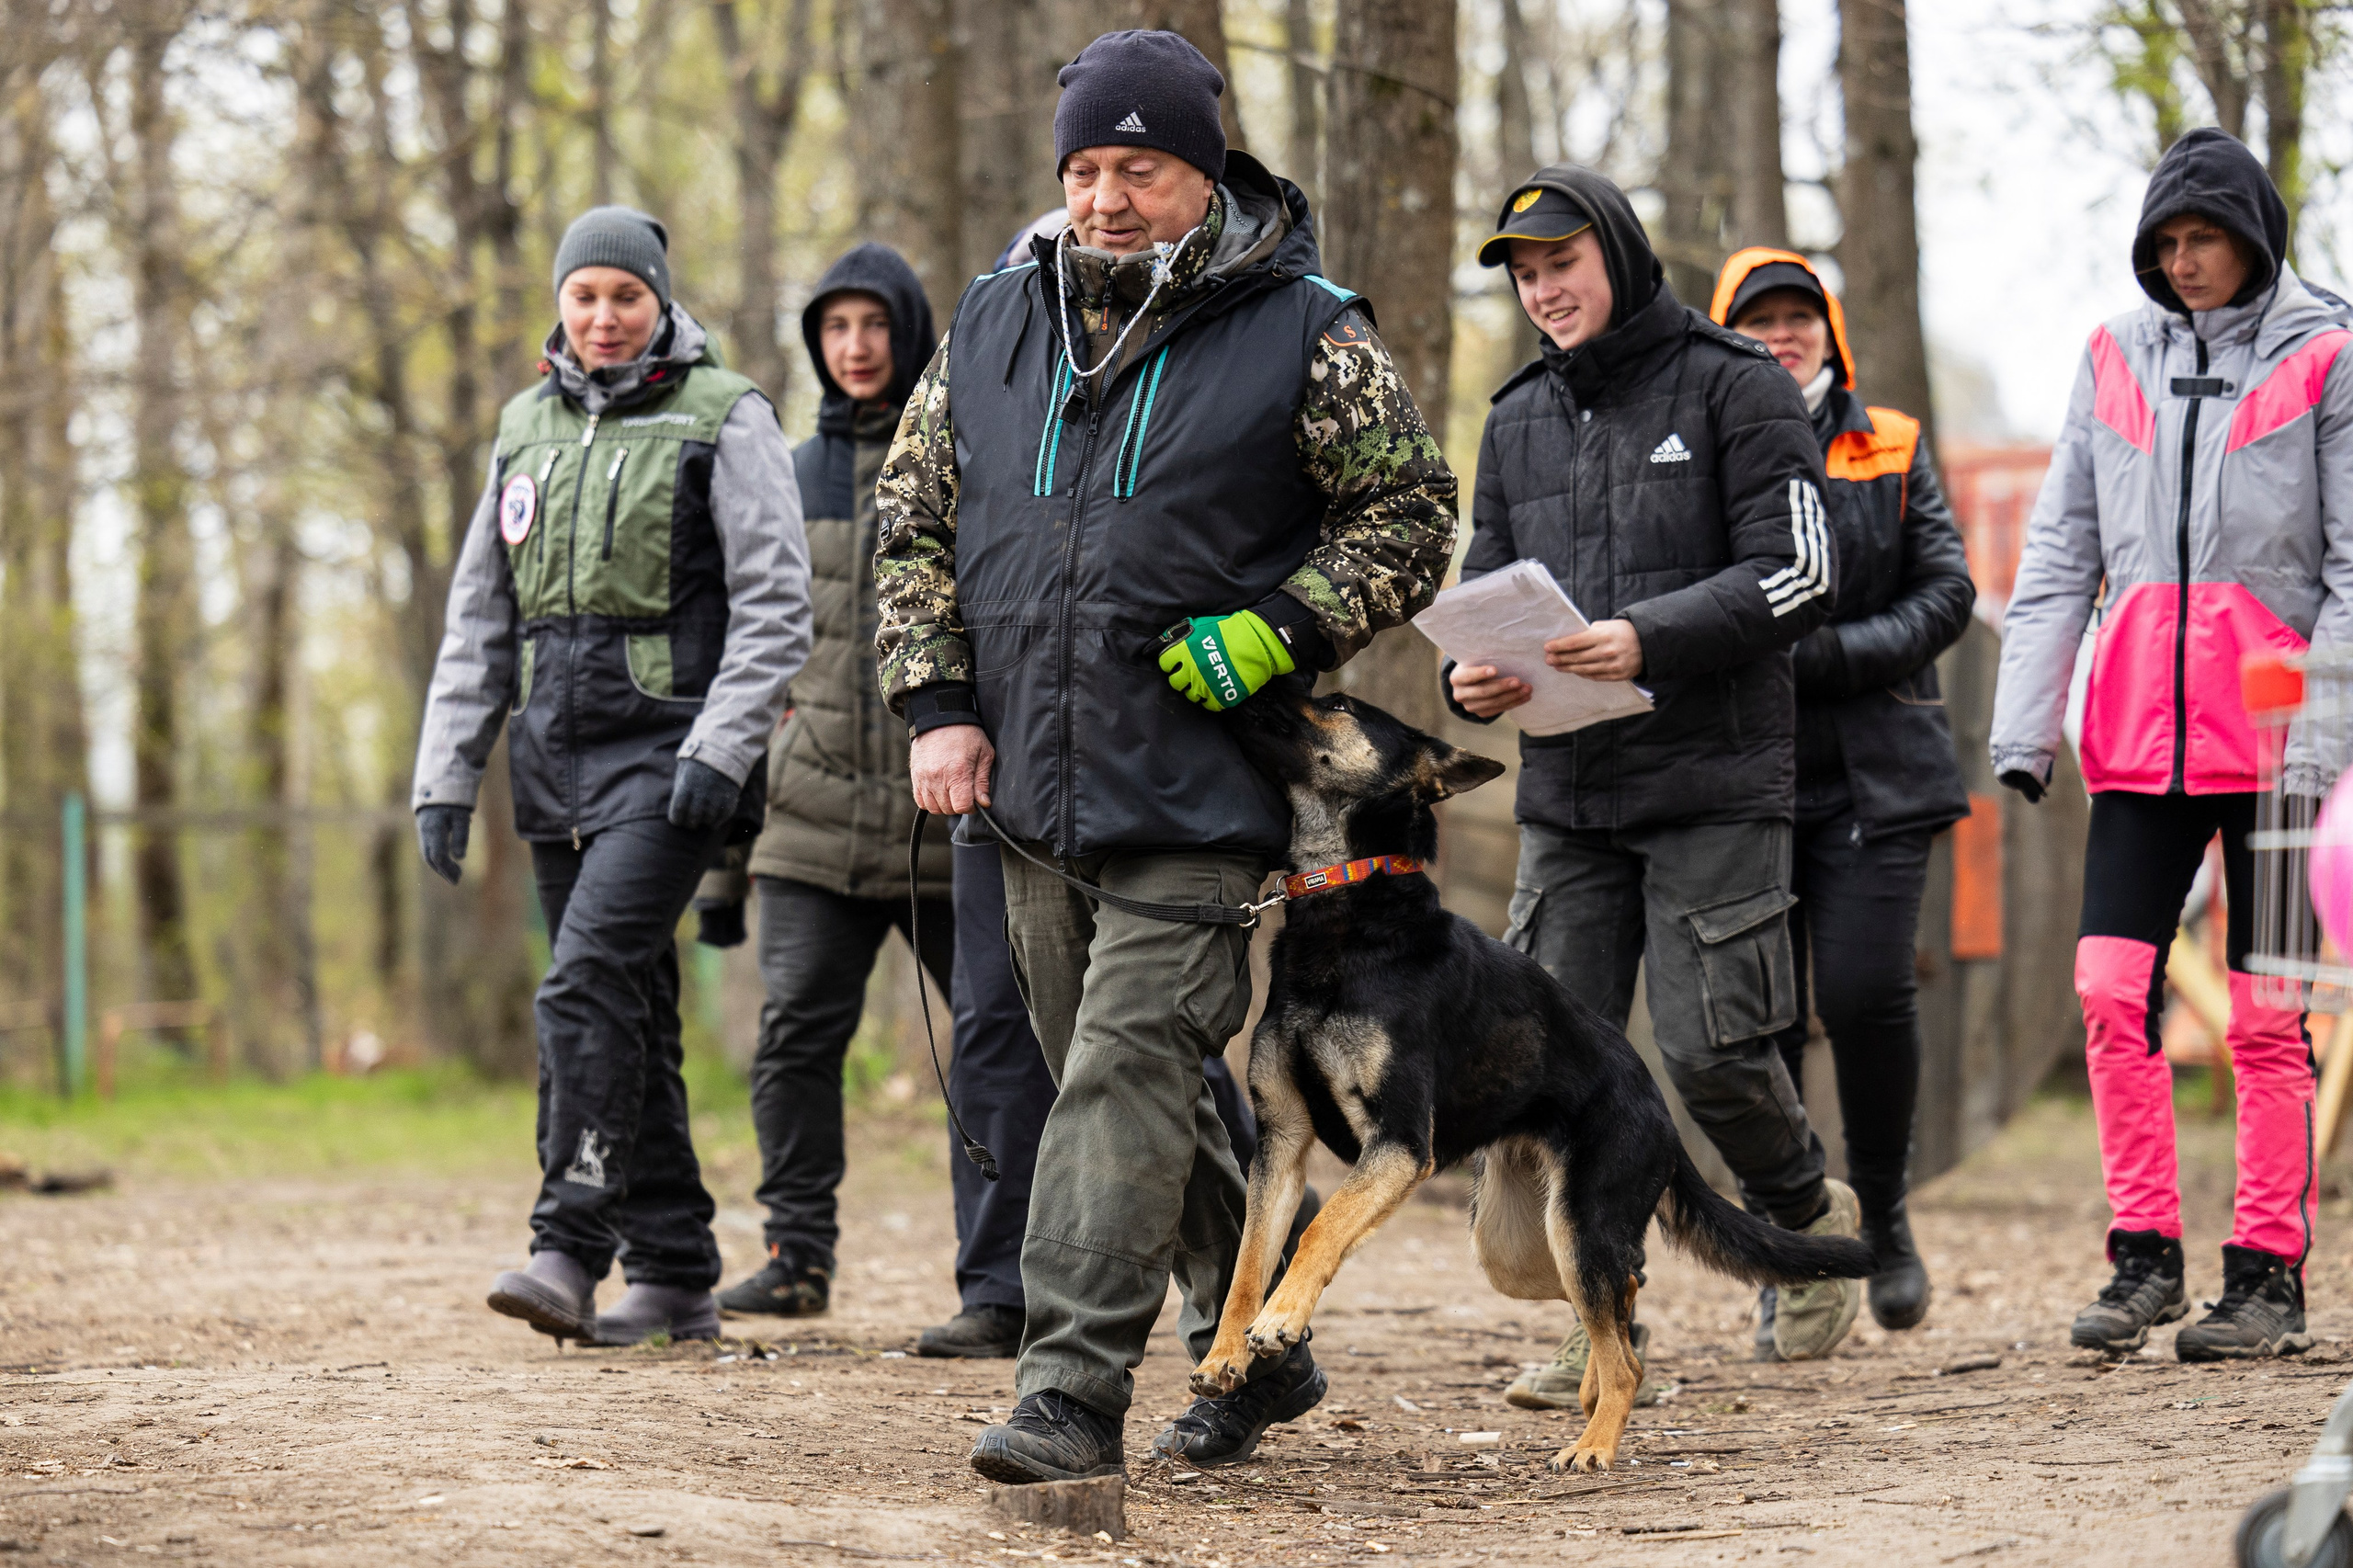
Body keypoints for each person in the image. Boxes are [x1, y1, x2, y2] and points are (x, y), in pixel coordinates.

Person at [875, 29, 1458, 1482]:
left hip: (1199, 787)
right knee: (1112, 1077)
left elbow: (1411, 513)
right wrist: (937, 700)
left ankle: (1069, 1393)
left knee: (1126, 1063)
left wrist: (1282, 625)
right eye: (1084, 167)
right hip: (1027, 786)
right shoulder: (997, 319)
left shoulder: (1307, 326)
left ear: (1205, 170)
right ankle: (1252, 1332)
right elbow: (911, 525)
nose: (1106, 198)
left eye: (1139, 167)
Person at [1442, 167, 1856, 1404]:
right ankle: (1599, 1313)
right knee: (1547, 1066)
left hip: (1714, 782)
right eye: (1523, 275)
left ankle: (1800, 1211)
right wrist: (1478, 681)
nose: (1543, 291)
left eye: (1560, 263)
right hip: (1569, 790)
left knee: (1712, 1049)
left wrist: (1648, 637)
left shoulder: (1736, 384)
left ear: (1616, 252)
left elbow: (1802, 573)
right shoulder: (1515, 416)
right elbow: (1483, 586)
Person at [412, 207, 811, 1347]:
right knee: (627, 1007)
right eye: (583, 296)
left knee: (582, 983)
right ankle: (678, 1270)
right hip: (553, 763)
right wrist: (446, 773)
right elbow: (480, 617)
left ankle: (570, 1241)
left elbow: (778, 606)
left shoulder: (723, 415)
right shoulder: (521, 426)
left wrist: (721, 749)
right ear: (560, 303)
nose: (601, 317)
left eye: (623, 296)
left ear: (659, 302)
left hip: (674, 761)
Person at [1992, 128, 2351, 1360]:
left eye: (2206, 239)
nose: (2186, 260)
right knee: (2106, 990)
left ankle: (2267, 1275)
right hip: (2139, 739)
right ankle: (2142, 1255)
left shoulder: (2330, 356)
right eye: (2168, 242)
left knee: (2266, 1010)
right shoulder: (2112, 355)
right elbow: (2059, 553)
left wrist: (2323, 734)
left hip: (2285, 744)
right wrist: (2025, 727)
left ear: (2255, 240)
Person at [685, 244, 1047, 1358]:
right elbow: (743, 662)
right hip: (804, 819)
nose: (854, 346)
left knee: (997, 1044)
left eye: (874, 325)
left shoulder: (966, 454)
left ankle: (1000, 1286)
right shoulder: (779, 479)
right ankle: (797, 1256)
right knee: (793, 1038)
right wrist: (722, 864)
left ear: (910, 332)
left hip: (944, 809)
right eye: (834, 328)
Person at [1711, 248, 1975, 1355]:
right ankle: (1797, 1239)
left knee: (1865, 989)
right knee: (1756, 1019)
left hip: (1878, 765)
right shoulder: (1707, 441)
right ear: (1727, 331)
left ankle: (1888, 1212)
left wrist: (1831, 656)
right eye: (1760, 318)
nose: (1783, 333)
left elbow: (1947, 588)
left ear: (1831, 331)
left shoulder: (1893, 442)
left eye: (1799, 315)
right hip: (1744, 774)